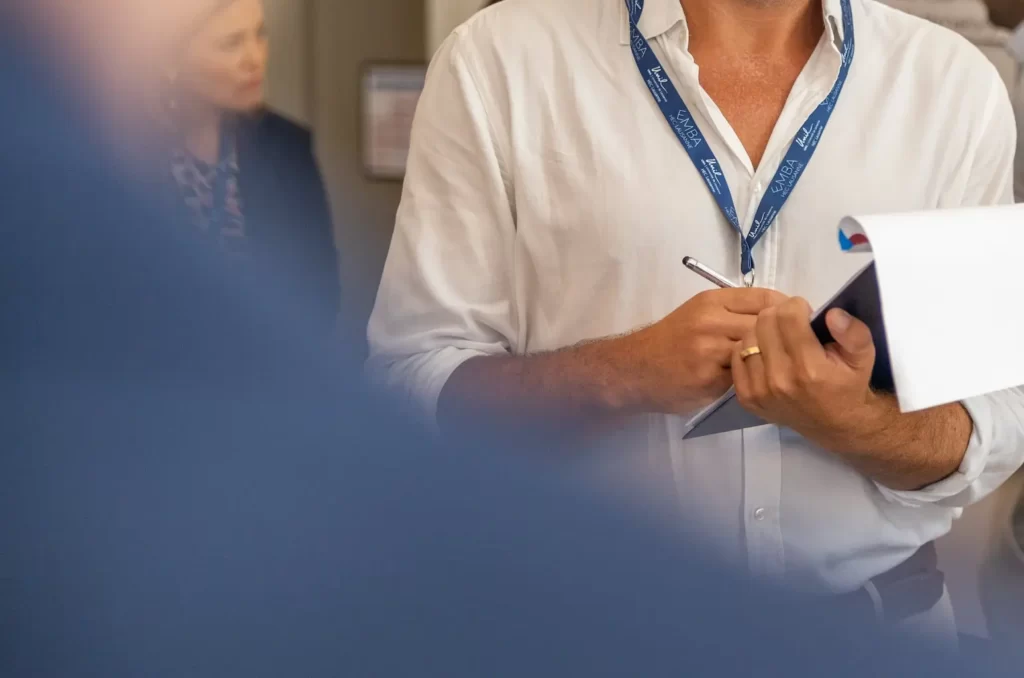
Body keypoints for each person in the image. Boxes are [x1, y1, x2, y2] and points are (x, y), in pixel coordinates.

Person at [367, 0, 1024, 639]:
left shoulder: (952, 87)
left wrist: (858, 422)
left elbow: (995, 418)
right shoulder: (498, 60)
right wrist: (621, 375)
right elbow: (411, 385)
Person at [161, 0, 339, 328]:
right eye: (231, 44)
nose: (255, 58)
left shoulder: (286, 147)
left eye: (260, 34)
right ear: (171, 59)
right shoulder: (125, 153)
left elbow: (320, 297)